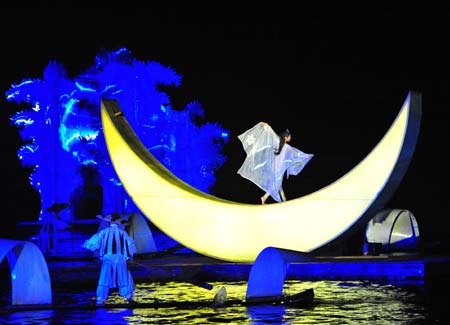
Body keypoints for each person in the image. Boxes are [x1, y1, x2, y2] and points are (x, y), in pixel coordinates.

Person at [237, 122, 314, 204]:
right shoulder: (284, 146)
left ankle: (284, 201)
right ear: (286, 137)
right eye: (290, 136)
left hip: (273, 168)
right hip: (277, 169)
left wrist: (265, 125)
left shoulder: (279, 142)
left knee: (278, 185)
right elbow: (297, 154)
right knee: (276, 185)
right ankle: (264, 198)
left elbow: (270, 133)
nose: (291, 138)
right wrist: (307, 156)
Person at [83, 212, 137, 305]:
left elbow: (92, 243)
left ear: (109, 222)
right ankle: (128, 296)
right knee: (123, 276)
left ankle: (100, 299)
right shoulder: (122, 232)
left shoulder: (104, 232)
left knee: (104, 276)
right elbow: (130, 246)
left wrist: (89, 245)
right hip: (120, 258)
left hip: (107, 258)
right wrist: (129, 256)